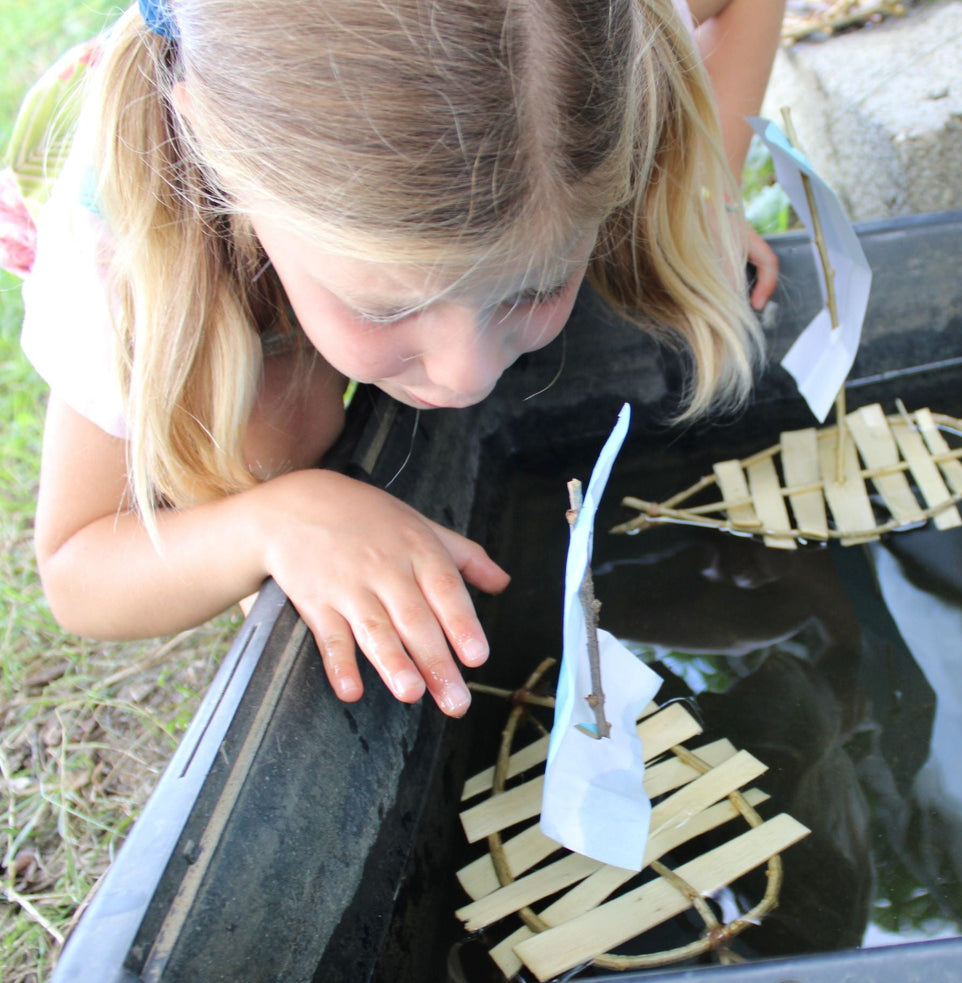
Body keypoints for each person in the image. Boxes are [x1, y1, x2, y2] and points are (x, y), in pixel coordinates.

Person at [22, 0, 784, 720]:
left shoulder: (574, 51)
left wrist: (708, 189)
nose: (467, 375)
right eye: (385, 308)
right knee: (268, 430)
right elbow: (76, 568)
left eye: (537, 286)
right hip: (209, 249)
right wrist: (268, 523)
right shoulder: (125, 257)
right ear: (221, 163)